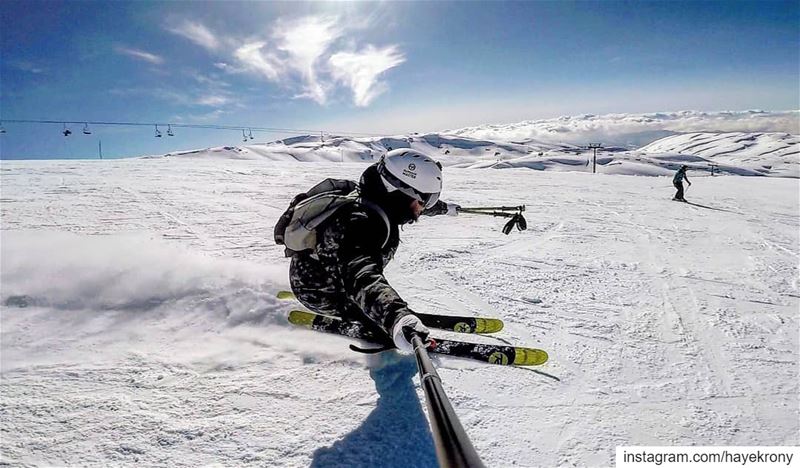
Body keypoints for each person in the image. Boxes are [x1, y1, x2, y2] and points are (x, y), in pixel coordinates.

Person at [288, 149, 458, 354]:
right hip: (322, 291)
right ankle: (371, 322)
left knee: (377, 306)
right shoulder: (359, 223)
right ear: (401, 192)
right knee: (379, 327)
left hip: (325, 273)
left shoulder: (376, 196)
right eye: (425, 201)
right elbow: (361, 276)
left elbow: (413, 202)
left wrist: (444, 208)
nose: (423, 209)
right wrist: (394, 316)